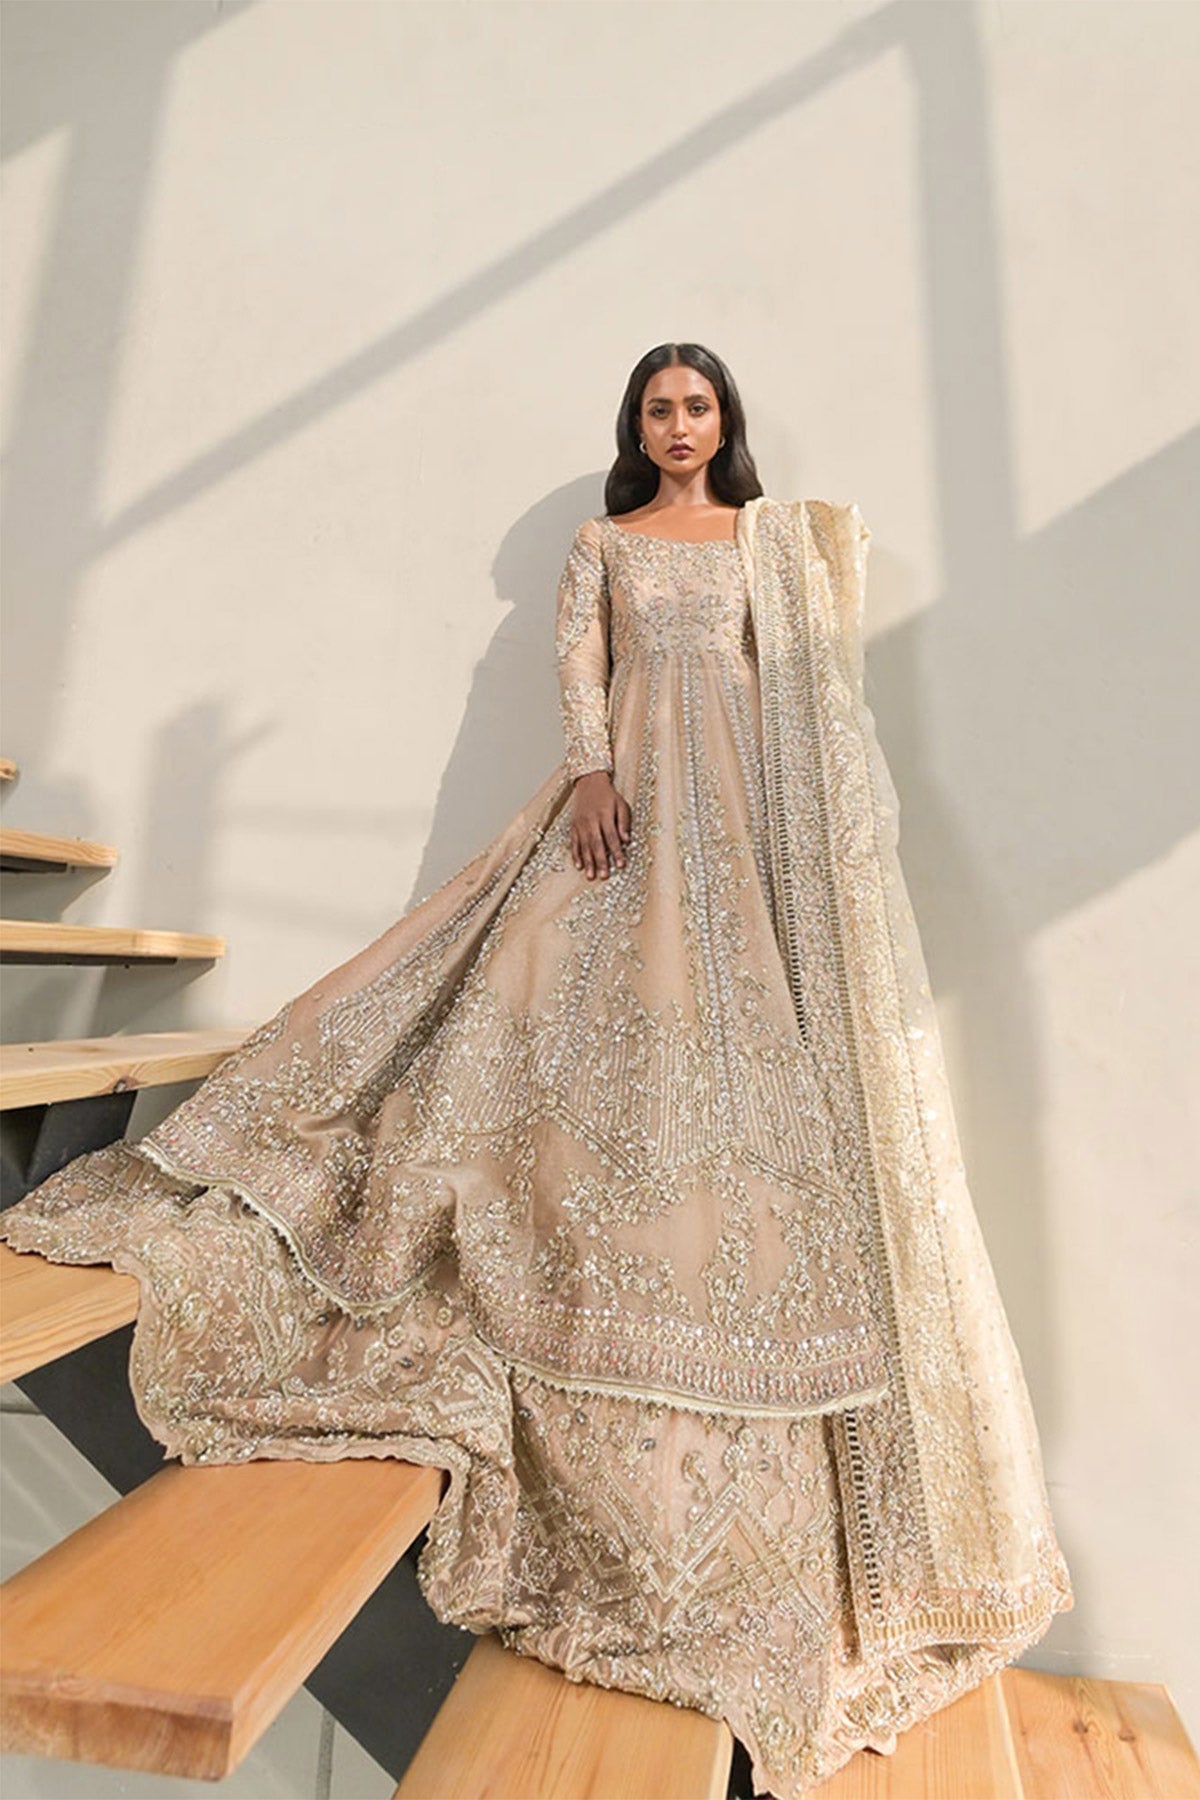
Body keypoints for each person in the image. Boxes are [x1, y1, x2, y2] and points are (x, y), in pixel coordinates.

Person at [0, 342, 1073, 1799]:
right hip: (629, 802)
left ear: (726, 423)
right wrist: (590, 768)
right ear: (635, 427)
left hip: (752, 823)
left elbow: (793, 683)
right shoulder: (608, 542)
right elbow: (585, 657)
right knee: (534, 989)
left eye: (698, 407)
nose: (679, 427)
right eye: (658, 409)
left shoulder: (763, 542)